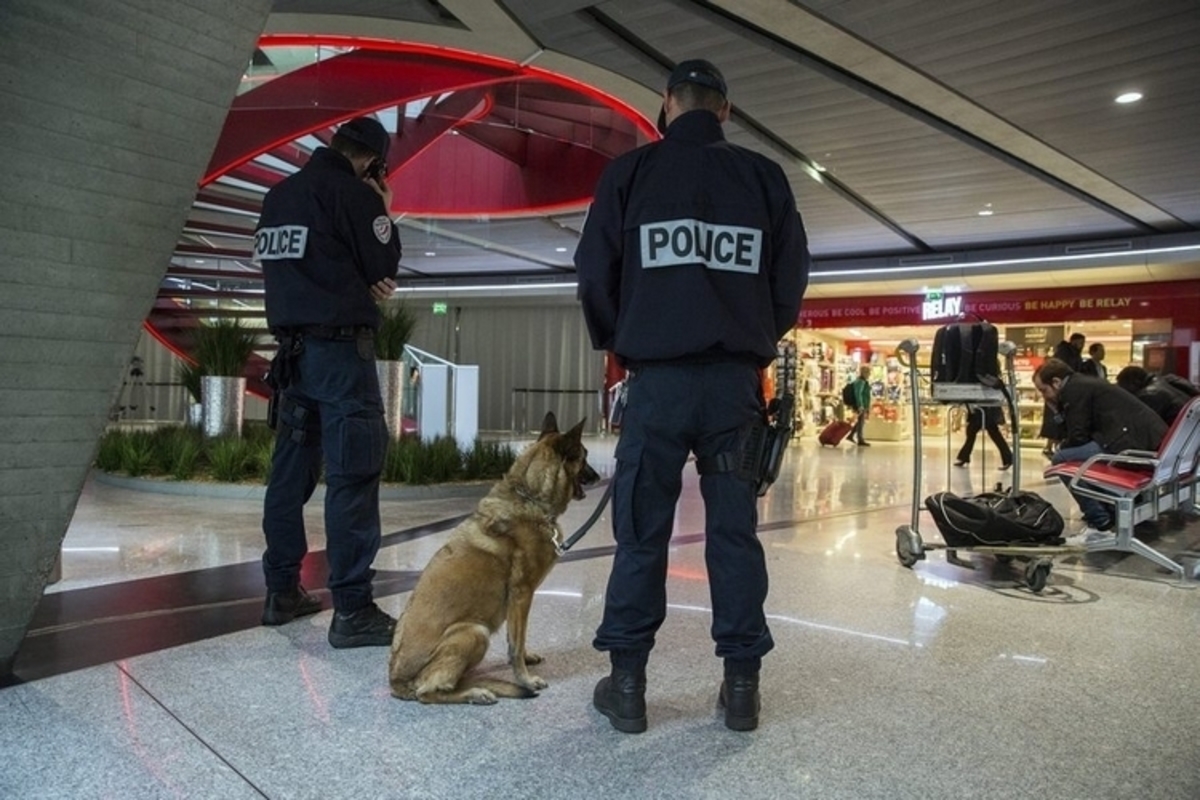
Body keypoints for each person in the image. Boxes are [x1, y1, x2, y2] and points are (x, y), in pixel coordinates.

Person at [575, 59, 810, 733]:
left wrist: (627, 339)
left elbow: (594, 271)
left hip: (657, 385)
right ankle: (741, 690)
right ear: (727, 112)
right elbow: (789, 278)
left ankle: (626, 687)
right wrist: (752, 330)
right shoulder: (764, 178)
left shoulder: (631, 174)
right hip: (736, 389)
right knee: (734, 537)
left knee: (641, 535)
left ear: (666, 105)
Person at [255, 116, 402, 648]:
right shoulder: (354, 195)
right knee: (353, 475)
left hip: (292, 359)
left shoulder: (278, 198)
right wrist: (381, 205)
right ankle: (353, 608)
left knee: (289, 476)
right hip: (341, 356)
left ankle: (281, 590)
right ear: (373, 162)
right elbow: (384, 262)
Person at [1033, 358, 1166, 543]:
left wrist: (1057, 414)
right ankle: (1106, 510)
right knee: (1076, 457)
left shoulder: (1073, 391)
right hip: (1138, 439)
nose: (1044, 396)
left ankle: (1100, 522)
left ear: (1056, 382)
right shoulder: (1083, 383)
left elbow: (1077, 436)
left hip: (1126, 443)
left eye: (1043, 390)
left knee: (1061, 459)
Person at [1040, 332, 1086, 456]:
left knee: (1057, 419)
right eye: (1081, 342)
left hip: (1059, 392)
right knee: (1058, 420)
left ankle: (1052, 446)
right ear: (1074, 342)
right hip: (1060, 392)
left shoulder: (1067, 353)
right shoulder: (1067, 355)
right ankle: (1052, 446)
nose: (1082, 345)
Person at [1115, 365, 1194, 425]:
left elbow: (1141, 425)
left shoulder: (1149, 395)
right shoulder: (1164, 381)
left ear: (1135, 382)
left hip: (1180, 437)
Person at [953, 403, 1013, 470]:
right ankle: (1008, 459)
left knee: (975, 431)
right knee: (993, 434)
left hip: (986, 408)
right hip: (984, 408)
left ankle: (964, 457)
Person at [848, 365, 872, 446]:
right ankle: (860, 439)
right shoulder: (860, 382)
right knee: (861, 422)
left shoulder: (862, 381)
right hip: (861, 405)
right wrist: (860, 405)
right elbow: (858, 394)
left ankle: (851, 435)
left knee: (860, 422)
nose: (869, 374)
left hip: (863, 404)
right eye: (868, 372)